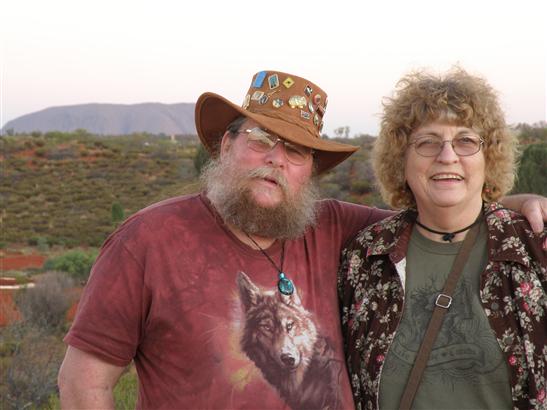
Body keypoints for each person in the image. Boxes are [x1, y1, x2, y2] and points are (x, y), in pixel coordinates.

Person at [57, 70, 546, 410]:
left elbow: (440, 211)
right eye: (260, 140)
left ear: (310, 171)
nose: (276, 160)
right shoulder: (148, 240)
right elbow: (83, 381)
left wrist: (518, 205)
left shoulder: (337, 230)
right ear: (225, 145)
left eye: (295, 151)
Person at [338, 67, 546, 410]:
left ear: (488, 156)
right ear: (401, 159)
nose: (447, 155)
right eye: (427, 142)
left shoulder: (534, 247)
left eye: (465, 140)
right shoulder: (364, 257)